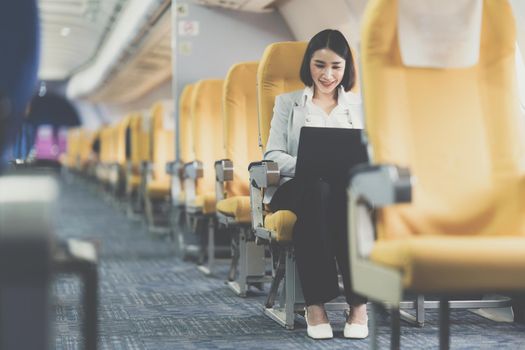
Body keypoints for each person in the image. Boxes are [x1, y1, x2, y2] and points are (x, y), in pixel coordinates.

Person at [264, 29, 368, 340]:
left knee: (346, 197)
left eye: (336, 66)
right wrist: (307, 165)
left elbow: (373, 152)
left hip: (344, 188)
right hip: (299, 186)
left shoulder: (360, 106)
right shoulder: (288, 103)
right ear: (308, 64)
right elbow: (272, 154)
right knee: (318, 190)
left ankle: (358, 303)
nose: (327, 74)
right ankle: (316, 304)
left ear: (346, 67)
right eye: (319, 65)